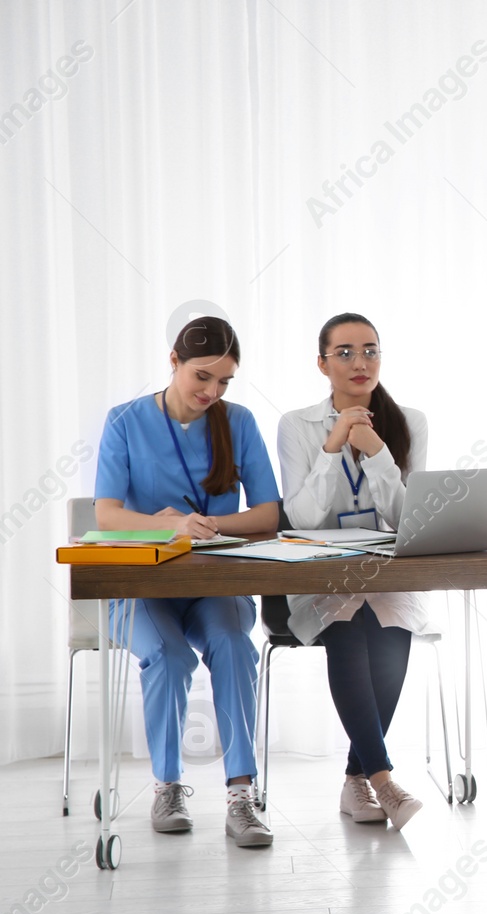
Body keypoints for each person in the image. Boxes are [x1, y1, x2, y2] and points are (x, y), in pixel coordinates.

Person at [94, 315, 280, 847]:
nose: (211, 391)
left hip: (213, 584)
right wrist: (168, 524)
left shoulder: (238, 422)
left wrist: (213, 525)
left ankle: (242, 795)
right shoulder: (125, 420)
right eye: (202, 376)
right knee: (170, 656)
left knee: (232, 645)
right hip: (143, 587)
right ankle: (167, 785)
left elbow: (267, 514)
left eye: (224, 381)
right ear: (172, 362)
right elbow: (106, 515)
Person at [277, 312, 427, 829]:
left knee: (391, 630)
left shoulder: (410, 422)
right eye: (344, 353)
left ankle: (355, 781)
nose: (359, 362)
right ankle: (383, 781)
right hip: (320, 577)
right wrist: (334, 445)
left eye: (370, 351)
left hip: (386, 575)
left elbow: (410, 520)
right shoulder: (297, 425)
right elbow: (300, 518)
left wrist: (379, 454)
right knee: (347, 625)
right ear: (322, 364)